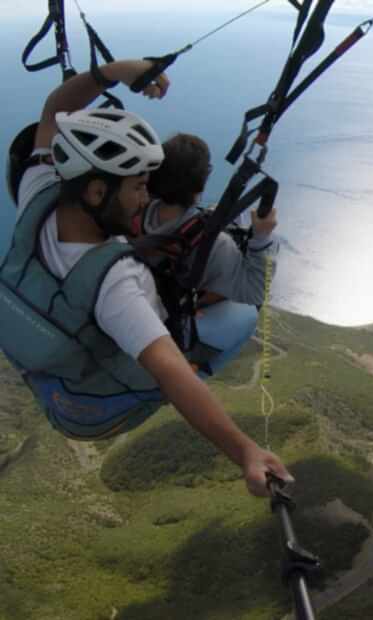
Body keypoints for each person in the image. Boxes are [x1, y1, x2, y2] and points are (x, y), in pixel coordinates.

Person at [0, 58, 293, 497]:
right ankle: (198, 348)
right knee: (242, 317)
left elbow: (52, 110)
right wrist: (245, 451)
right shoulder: (116, 284)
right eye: (138, 186)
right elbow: (172, 372)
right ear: (97, 191)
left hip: (48, 368)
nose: (144, 197)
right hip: (93, 407)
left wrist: (116, 72)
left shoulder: (39, 193)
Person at [141, 132, 279, 308]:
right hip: (173, 313)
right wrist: (262, 239)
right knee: (243, 313)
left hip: (145, 296)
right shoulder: (214, 244)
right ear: (199, 185)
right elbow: (255, 293)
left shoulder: (135, 213)